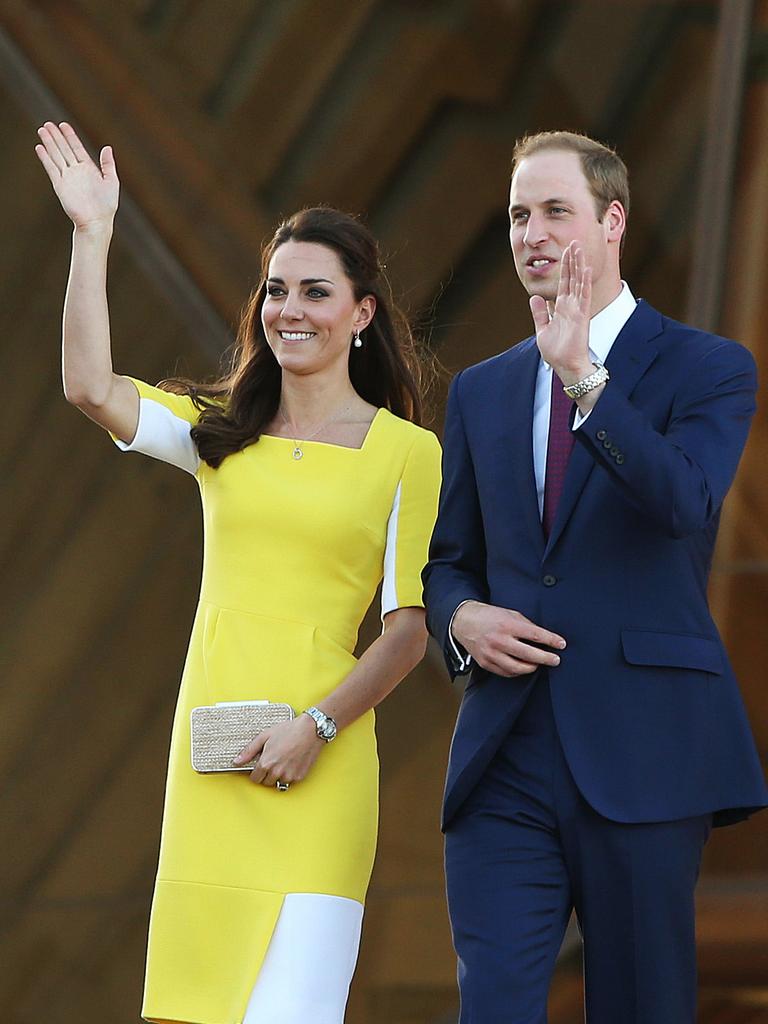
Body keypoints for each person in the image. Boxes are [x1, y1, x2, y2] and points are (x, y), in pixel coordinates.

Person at [35, 120, 442, 1024]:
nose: (289, 309)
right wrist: (91, 235)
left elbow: (409, 630)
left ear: (362, 313)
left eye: (315, 292)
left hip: (321, 776)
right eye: (275, 290)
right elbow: (89, 386)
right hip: (213, 770)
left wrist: (318, 730)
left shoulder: (408, 455)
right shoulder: (224, 433)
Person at [423, 130, 768, 1023]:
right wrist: (460, 621)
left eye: (554, 212)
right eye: (517, 215)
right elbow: (449, 561)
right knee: (492, 1002)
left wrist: (583, 378)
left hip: (645, 748)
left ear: (612, 221)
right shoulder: (483, 391)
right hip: (506, 754)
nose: (531, 233)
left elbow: (684, 502)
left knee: (641, 1006)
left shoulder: (710, 366)